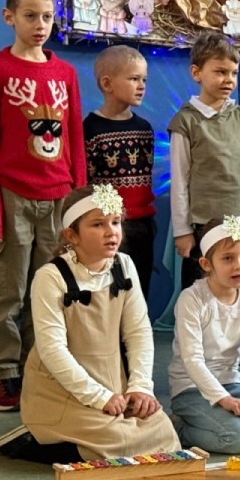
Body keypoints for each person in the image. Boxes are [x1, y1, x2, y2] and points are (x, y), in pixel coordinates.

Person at [0, 184, 179, 462]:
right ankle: (30, 440)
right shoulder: (50, 277)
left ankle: (92, 438)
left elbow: (138, 331)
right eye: (98, 224)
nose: (111, 232)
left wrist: (140, 387)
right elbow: (52, 350)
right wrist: (98, 397)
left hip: (111, 381)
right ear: (72, 235)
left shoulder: (124, 265)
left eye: (116, 222)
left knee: (163, 434)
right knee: (116, 441)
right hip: (62, 390)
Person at [0, 0, 86, 412]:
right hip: (12, 197)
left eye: (48, 17)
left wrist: (79, 206)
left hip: (59, 199)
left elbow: (74, 140)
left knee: (51, 291)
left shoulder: (65, 74)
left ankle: (39, 368)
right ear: (9, 17)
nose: (40, 25)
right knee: (8, 293)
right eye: (30, 16)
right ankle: (4, 374)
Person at [168, 216, 240, 454]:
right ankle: (178, 427)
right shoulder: (191, 299)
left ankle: (222, 421)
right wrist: (224, 400)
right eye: (227, 258)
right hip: (191, 388)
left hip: (232, 383)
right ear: (206, 264)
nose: (239, 265)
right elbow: (192, 359)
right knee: (238, 437)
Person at [169, 32, 240, 292]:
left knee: (238, 288)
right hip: (203, 223)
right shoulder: (186, 121)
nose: (229, 79)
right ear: (197, 73)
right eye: (220, 72)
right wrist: (182, 230)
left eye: (233, 73)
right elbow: (180, 180)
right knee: (199, 290)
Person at [84, 45, 157, 298]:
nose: (141, 86)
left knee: (140, 289)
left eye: (144, 80)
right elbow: (87, 182)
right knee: (111, 290)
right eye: (134, 79)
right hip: (110, 225)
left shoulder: (144, 128)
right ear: (107, 84)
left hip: (143, 224)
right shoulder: (91, 129)